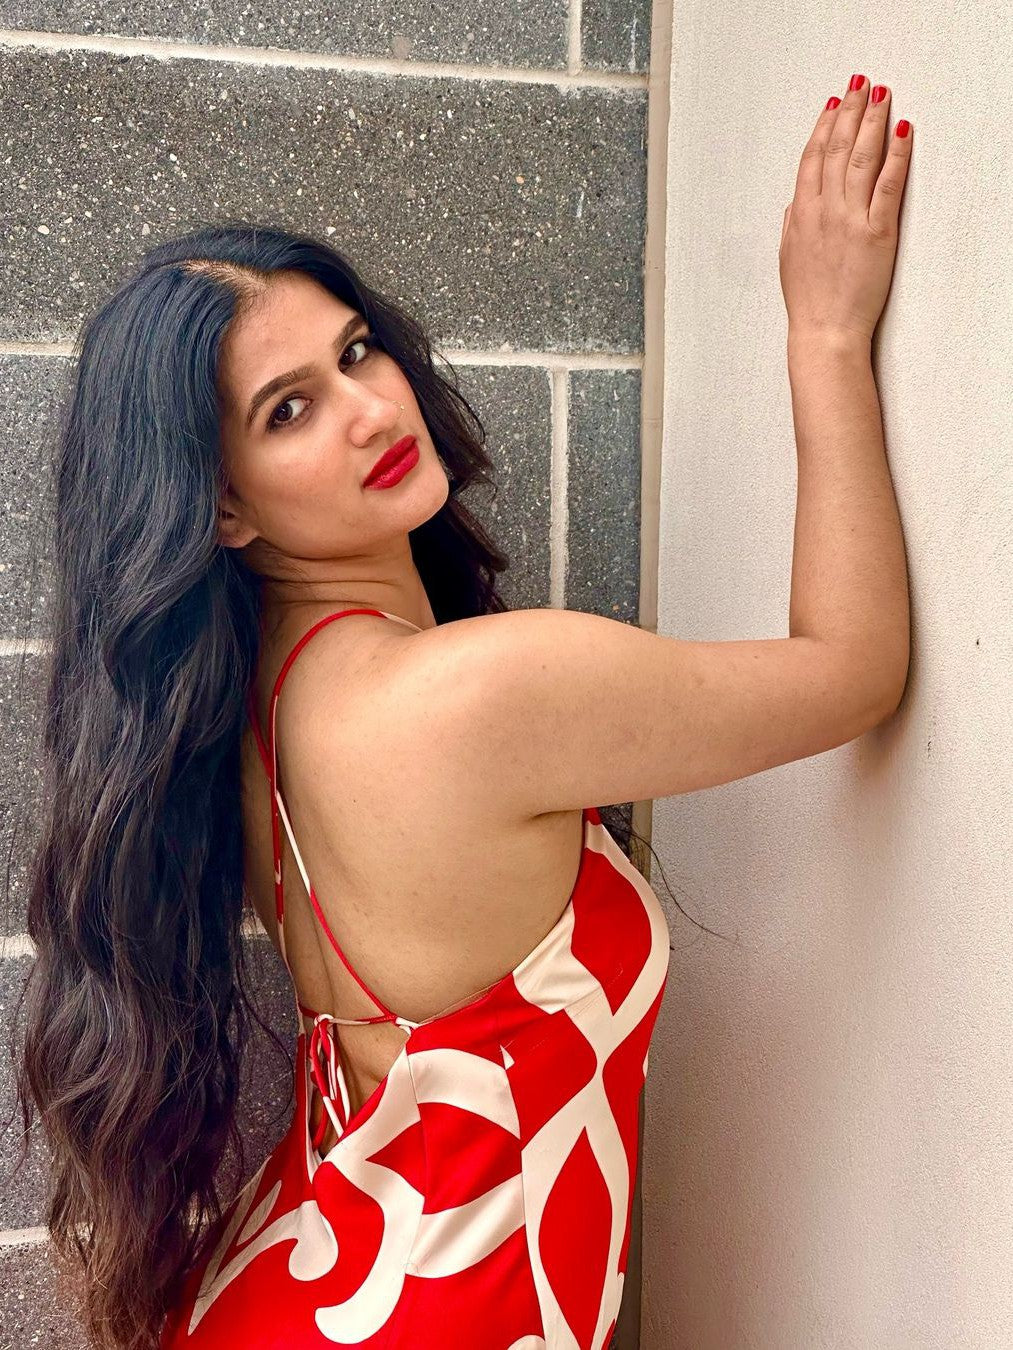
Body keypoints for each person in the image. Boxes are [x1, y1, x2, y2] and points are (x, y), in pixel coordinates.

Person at [12, 71, 911, 1350]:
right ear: (223, 507)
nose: (372, 409)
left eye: (355, 351)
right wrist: (822, 334)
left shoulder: (259, 709)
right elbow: (853, 670)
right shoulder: (475, 694)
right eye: (289, 409)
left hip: (297, 1299)